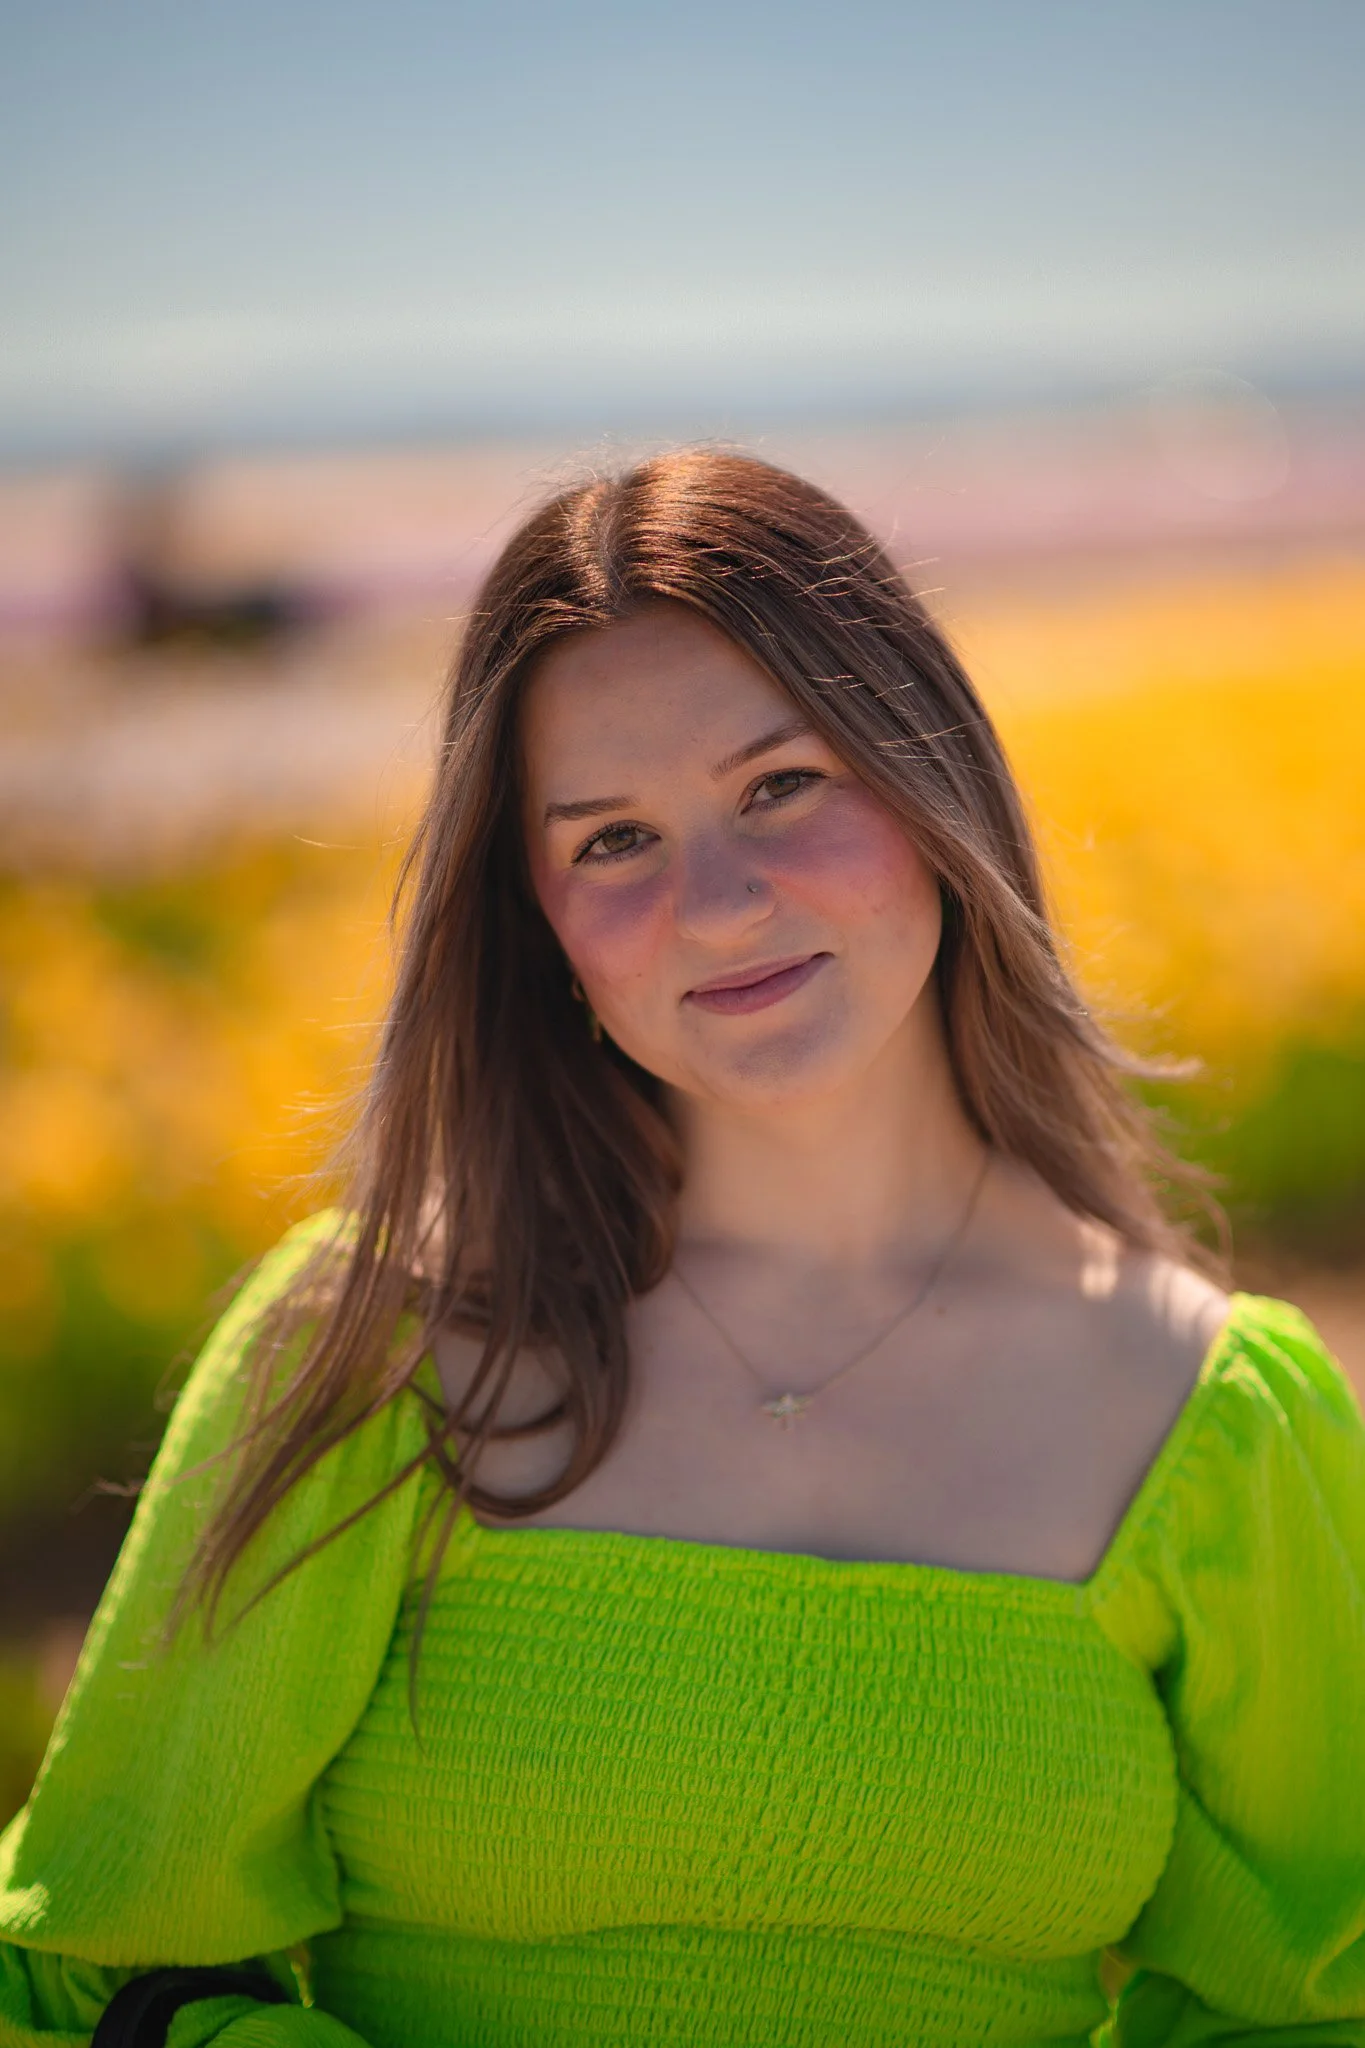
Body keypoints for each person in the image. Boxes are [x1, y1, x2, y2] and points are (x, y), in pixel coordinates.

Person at [2, 451, 1362, 2048]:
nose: (719, 903)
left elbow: (1309, 2012)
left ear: (933, 792)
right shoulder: (374, 1354)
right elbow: (94, 1980)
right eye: (612, 843)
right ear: (539, 930)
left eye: (783, 786)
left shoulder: (1209, 1418)